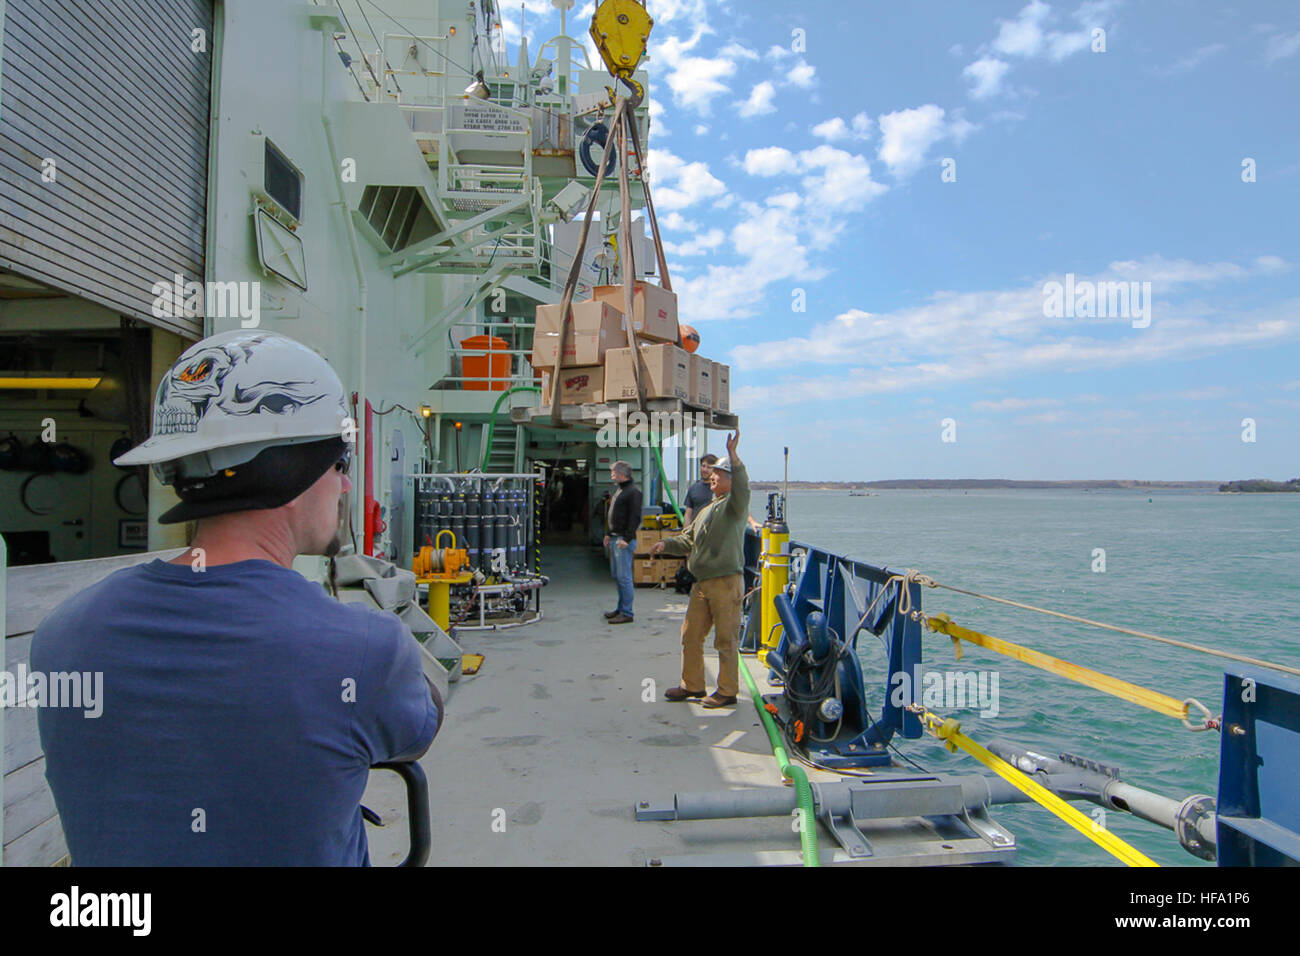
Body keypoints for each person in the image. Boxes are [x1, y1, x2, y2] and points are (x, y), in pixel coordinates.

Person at [31, 329, 441, 866]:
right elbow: (417, 727)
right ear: (293, 469)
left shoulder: (64, 632)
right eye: (338, 465)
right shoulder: (363, 649)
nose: (343, 487)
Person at [652, 430, 748, 708]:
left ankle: (727, 691)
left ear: (731, 479)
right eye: (712, 472)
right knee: (690, 634)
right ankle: (692, 685)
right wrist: (665, 545)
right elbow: (688, 540)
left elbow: (743, 488)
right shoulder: (708, 508)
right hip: (702, 583)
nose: (712, 476)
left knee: (725, 639)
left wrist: (733, 456)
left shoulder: (734, 506)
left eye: (719, 473)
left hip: (725, 583)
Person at [602, 460, 641, 624]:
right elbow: (615, 515)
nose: (611, 475)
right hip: (615, 538)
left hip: (623, 541)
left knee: (624, 577)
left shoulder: (633, 492)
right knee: (618, 576)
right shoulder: (620, 490)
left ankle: (627, 612)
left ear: (621, 474)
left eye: (613, 472)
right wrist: (608, 534)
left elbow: (635, 518)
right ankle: (620, 608)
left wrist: (627, 538)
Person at [682, 453, 718, 525]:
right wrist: (685, 533)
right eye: (703, 466)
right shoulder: (693, 488)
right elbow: (688, 515)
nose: (705, 469)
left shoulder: (720, 489)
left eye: (709, 467)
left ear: (715, 469)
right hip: (696, 531)